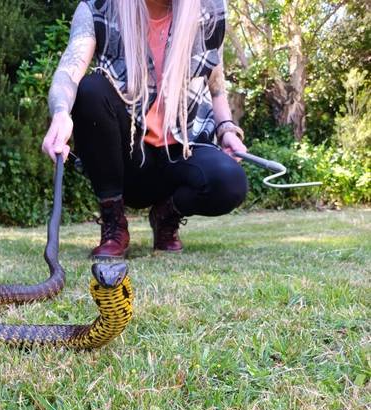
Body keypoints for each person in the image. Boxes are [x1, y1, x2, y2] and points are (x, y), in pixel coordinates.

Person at [42, 0, 248, 259]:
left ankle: (166, 215)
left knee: (231, 182)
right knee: (90, 90)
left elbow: (214, 80)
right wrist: (61, 113)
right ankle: (113, 222)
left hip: (181, 151)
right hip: (130, 159)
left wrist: (226, 129)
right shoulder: (99, 7)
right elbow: (69, 71)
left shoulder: (209, 9)